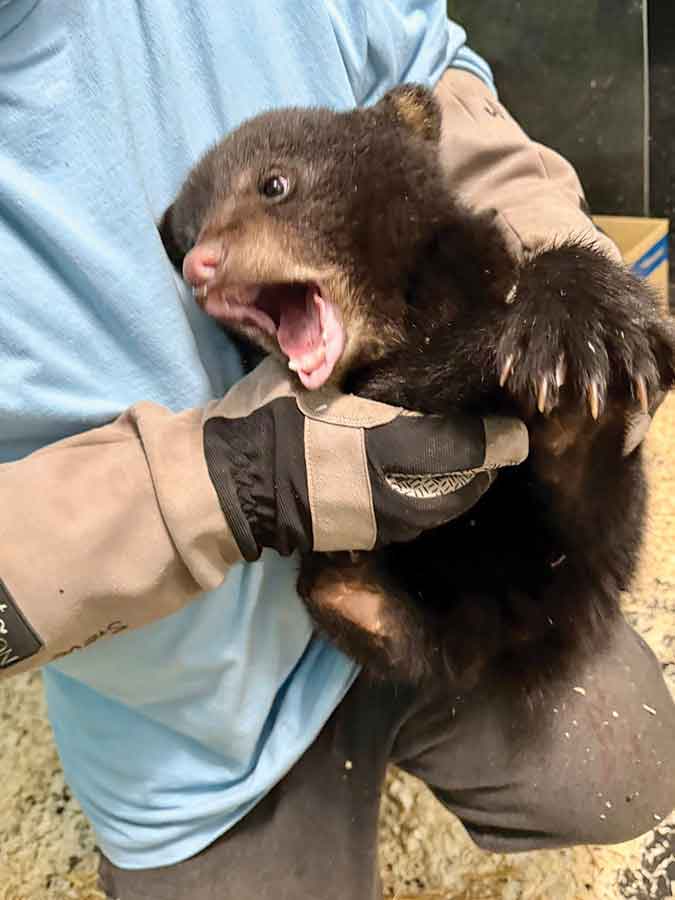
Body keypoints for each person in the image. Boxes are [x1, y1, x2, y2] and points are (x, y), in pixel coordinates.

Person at [1, 2, 673, 898]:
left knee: (621, 762)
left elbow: (427, 84)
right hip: (196, 727)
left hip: (452, 589)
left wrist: (555, 270)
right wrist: (230, 482)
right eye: (190, 246)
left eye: (270, 193)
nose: (197, 266)